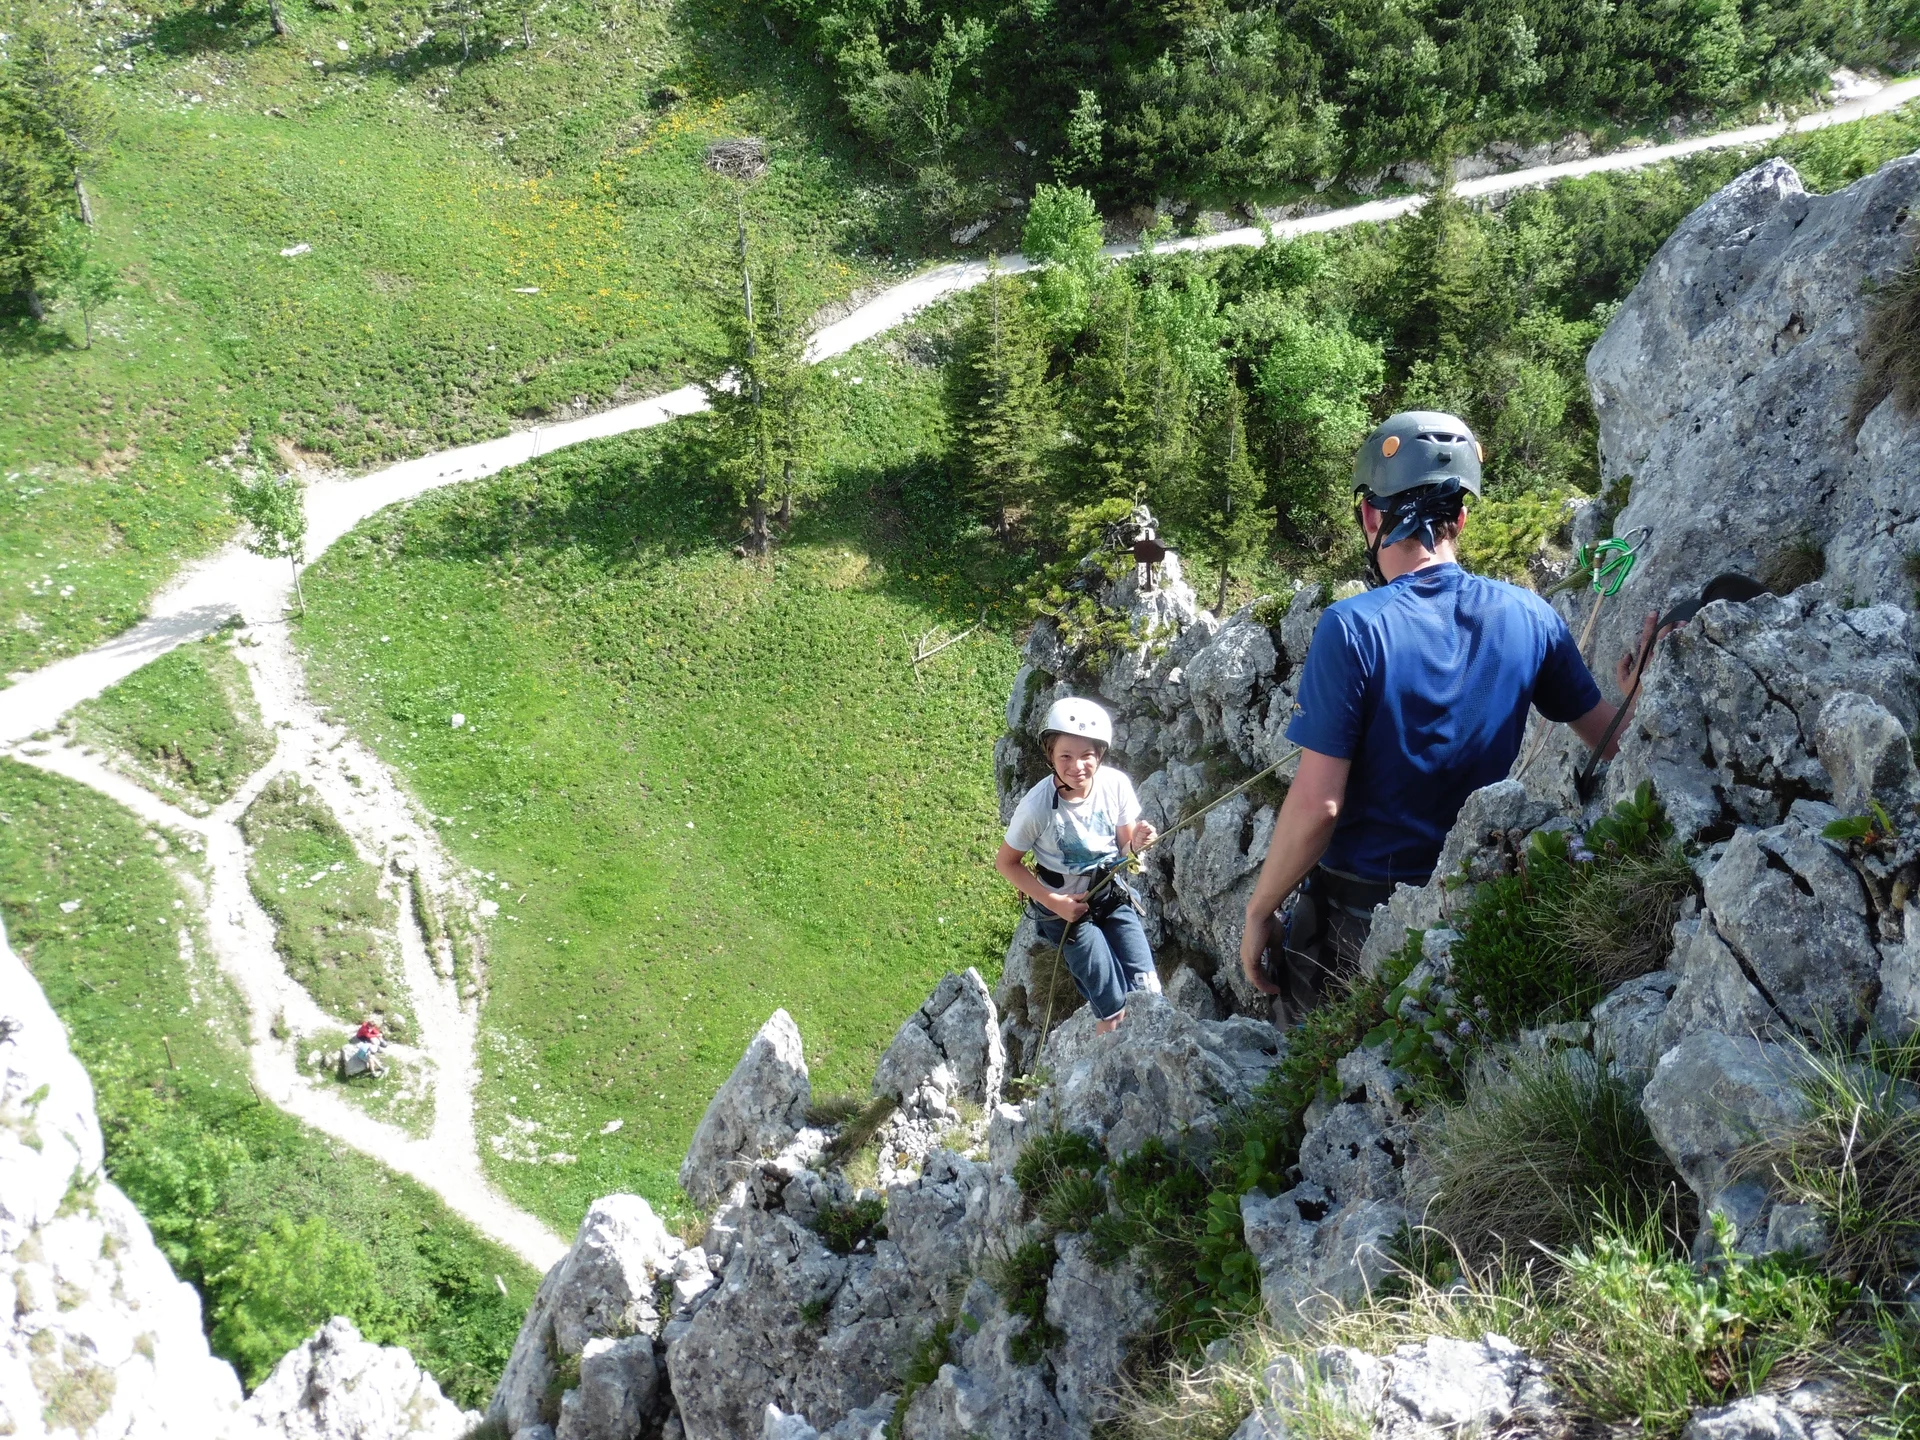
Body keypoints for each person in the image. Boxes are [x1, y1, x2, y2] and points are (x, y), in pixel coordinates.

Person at [1239, 411, 1660, 1021]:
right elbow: (1612, 741)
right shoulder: (1531, 616)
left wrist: (1260, 912)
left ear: (1369, 518)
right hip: (1476, 904)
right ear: (1461, 516)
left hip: (1359, 923)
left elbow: (1319, 807)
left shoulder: (1352, 628)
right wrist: (1643, 697)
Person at [995, 697, 1161, 1034]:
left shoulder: (1114, 786)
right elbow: (1006, 863)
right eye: (1065, 757)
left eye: (1087, 756)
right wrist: (1054, 903)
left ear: (1099, 754)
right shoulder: (1036, 807)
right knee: (1113, 1008)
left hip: (1109, 895)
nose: (1077, 766)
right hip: (1061, 907)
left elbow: (1123, 849)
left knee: (1149, 989)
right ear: (1051, 757)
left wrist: (1138, 843)